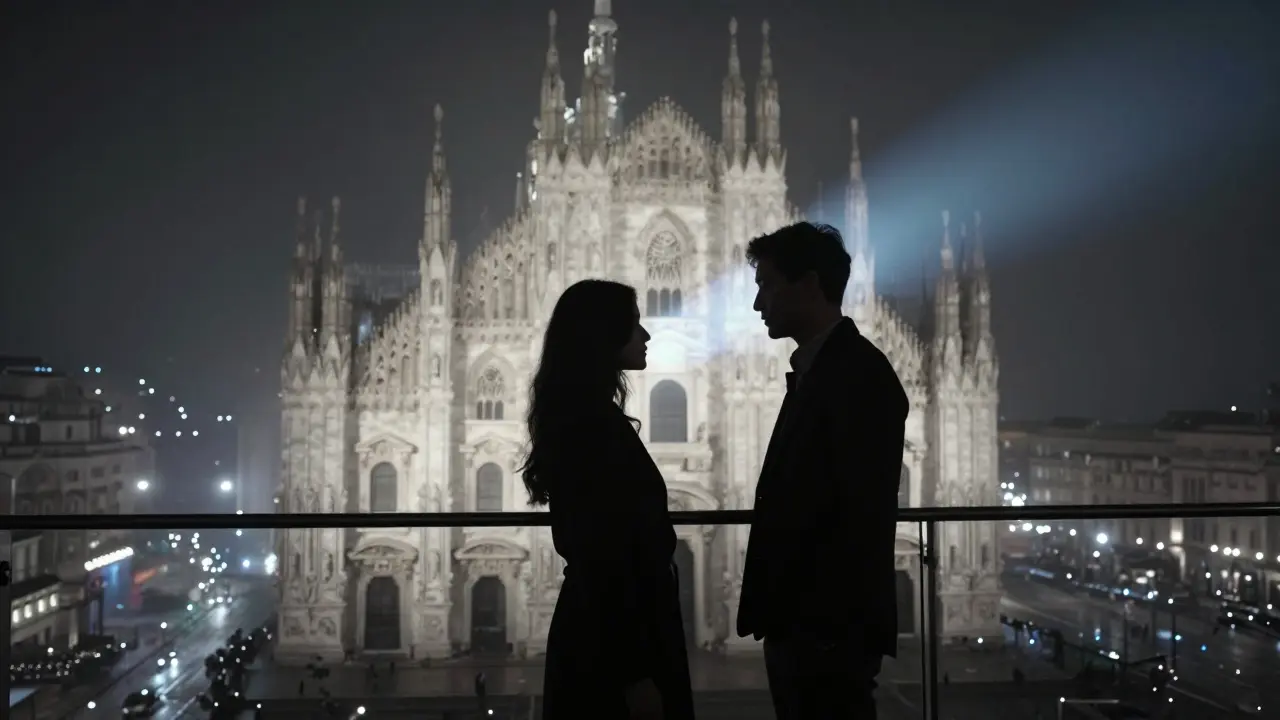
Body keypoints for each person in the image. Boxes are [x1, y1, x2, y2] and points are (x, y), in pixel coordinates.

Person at [735, 222, 909, 719]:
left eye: (767, 285)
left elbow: (857, 509)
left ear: (809, 284)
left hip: (826, 628)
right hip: (803, 622)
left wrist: (828, 629)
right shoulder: (820, 369)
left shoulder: (858, 375)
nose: (758, 303)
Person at [522, 279, 695, 720]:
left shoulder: (587, 418)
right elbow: (602, 558)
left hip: (606, 634)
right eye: (634, 324)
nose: (647, 335)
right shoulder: (592, 428)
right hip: (615, 648)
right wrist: (635, 675)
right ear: (603, 336)